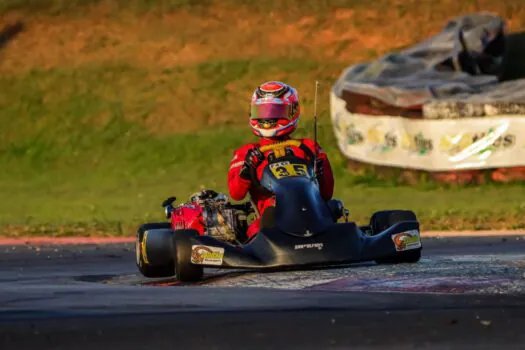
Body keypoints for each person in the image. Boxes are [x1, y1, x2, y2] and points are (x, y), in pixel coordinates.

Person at [227, 81, 335, 239]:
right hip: (269, 223)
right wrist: (246, 170)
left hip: (312, 217)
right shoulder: (247, 153)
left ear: (292, 112)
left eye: (275, 111)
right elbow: (236, 194)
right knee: (258, 227)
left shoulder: (308, 147)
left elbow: (327, 194)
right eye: (262, 112)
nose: (267, 118)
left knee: (333, 207)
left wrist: (320, 174)